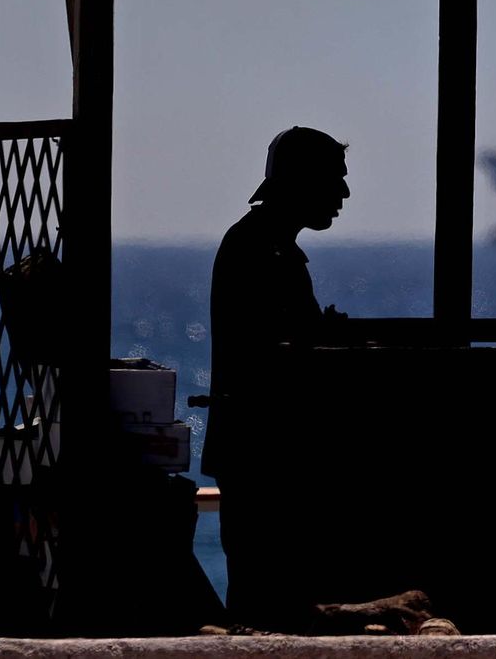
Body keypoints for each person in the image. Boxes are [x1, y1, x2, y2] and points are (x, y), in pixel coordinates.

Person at [203, 125, 349, 628]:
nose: (344, 194)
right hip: (262, 453)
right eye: (335, 181)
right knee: (267, 599)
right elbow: (275, 356)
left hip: (254, 451)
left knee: (262, 592)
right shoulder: (264, 251)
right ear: (304, 182)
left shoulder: (261, 245)